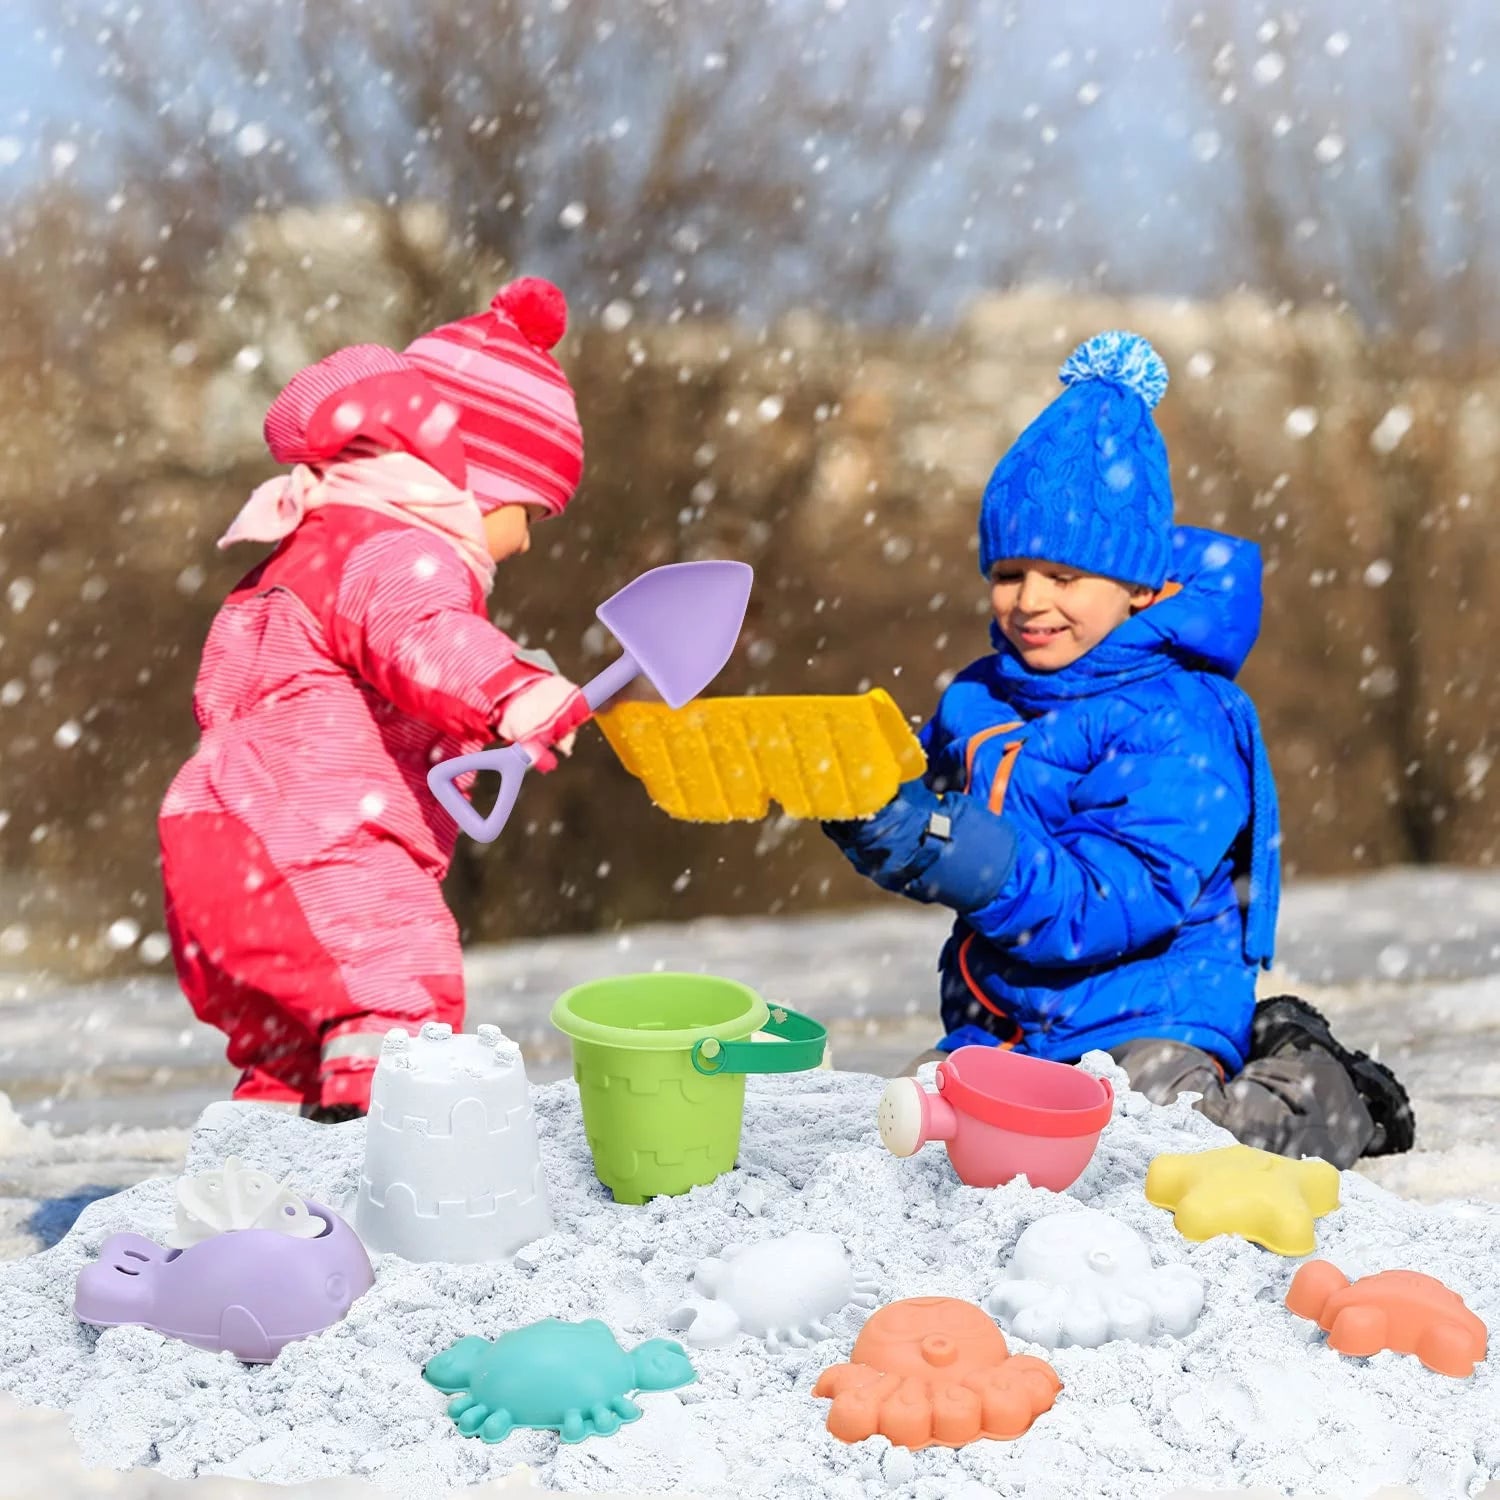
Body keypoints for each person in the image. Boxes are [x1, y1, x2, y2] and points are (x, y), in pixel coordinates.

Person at [823, 331, 1414, 1169]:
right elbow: (917, 816)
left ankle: (1322, 1088)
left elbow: (1107, 901)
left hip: (1150, 1009)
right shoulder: (979, 696)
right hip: (1009, 1016)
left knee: (1163, 1154)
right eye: (1010, 571)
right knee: (911, 1144)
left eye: (1065, 578)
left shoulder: (1182, 720)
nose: (1030, 601)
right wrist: (859, 799)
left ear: (1139, 587)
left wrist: (943, 842)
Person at [159, 279, 591, 1120]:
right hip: (320, 848)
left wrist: (457, 734)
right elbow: (422, 635)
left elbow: (254, 688)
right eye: (533, 511)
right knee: (402, 994)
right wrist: (516, 693)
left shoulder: (311, 545)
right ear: (482, 481)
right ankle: (384, 1165)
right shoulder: (401, 551)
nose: (530, 538)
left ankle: (263, 1177)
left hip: (221, 843)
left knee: (294, 1047)